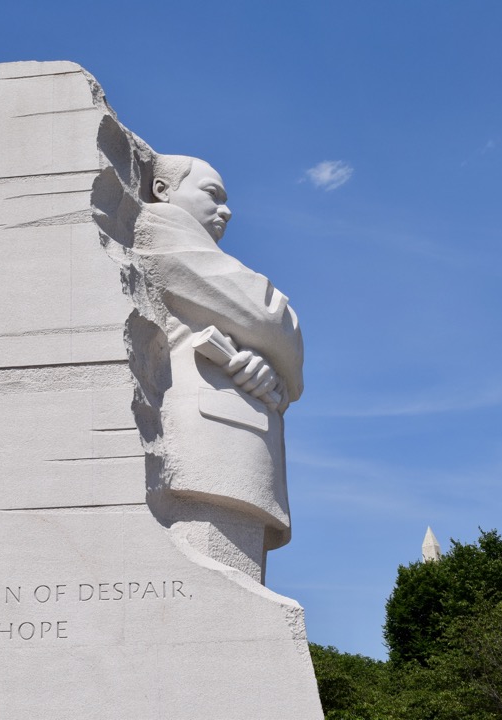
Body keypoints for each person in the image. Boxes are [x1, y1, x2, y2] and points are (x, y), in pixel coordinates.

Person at [129, 154, 304, 581]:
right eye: (212, 194)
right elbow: (269, 318)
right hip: (207, 440)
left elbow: (266, 339)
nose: (226, 210)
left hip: (232, 431)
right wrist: (281, 359)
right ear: (163, 191)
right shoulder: (161, 228)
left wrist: (270, 373)